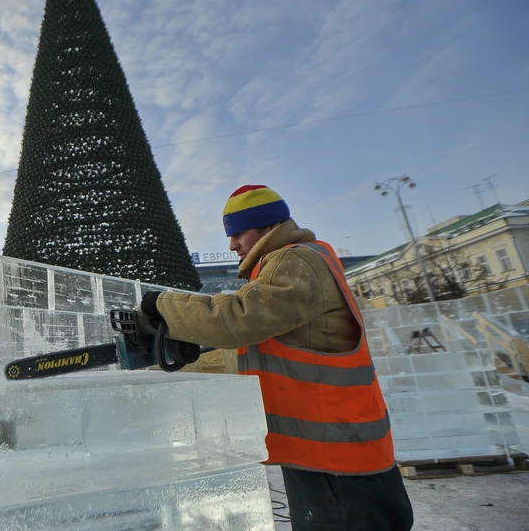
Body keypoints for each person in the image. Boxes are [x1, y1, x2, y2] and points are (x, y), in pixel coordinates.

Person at [134, 184, 414, 531]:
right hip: (329, 451)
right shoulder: (291, 266)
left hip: (337, 459)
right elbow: (268, 352)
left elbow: (240, 318)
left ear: (267, 228)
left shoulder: (297, 259)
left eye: (238, 233)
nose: (232, 245)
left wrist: (160, 306)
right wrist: (192, 352)